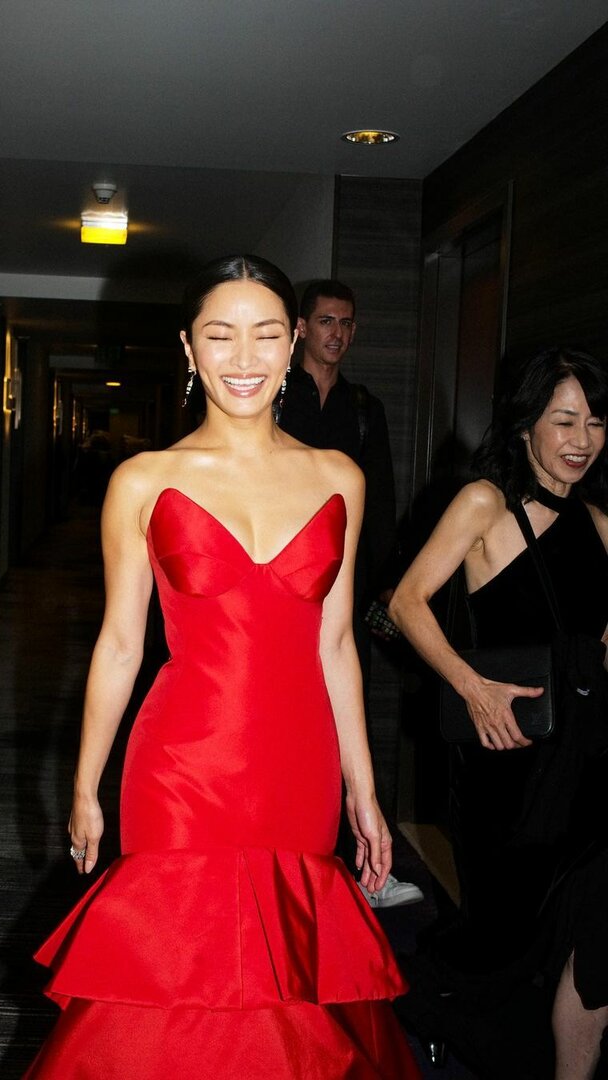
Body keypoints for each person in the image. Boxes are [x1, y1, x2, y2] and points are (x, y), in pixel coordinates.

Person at [24, 255, 419, 1079]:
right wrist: (86, 785)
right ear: (188, 347)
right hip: (179, 767)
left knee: (289, 986)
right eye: (220, 335)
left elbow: (336, 645)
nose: (244, 358)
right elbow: (121, 644)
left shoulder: (339, 477)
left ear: (295, 341)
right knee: (173, 980)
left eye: (266, 335)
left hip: (298, 766)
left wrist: (365, 790)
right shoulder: (143, 480)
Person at [389, 347, 608, 1079]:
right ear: (525, 425)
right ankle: (430, 1005)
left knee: (581, 923)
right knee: (501, 930)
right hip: (506, 758)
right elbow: (407, 602)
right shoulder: (485, 503)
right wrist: (472, 686)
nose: (582, 439)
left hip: (589, 759)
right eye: (565, 420)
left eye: (596, 422)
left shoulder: (600, 522)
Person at [278, 279, 423, 911]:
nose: (337, 333)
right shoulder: (272, 397)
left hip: (343, 588)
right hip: (279, 588)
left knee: (344, 721)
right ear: (301, 328)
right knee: (282, 723)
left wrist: (380, 584)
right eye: (326, 321)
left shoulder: (364, 408)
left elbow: (381, 503)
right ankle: (287, 862)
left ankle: (362, 865)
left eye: (346, 323)